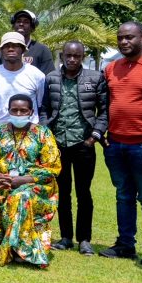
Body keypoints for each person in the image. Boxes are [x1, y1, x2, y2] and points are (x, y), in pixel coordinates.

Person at [99, 22, 142, 265]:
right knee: (123, 196)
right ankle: (125, 244)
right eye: (120, 38)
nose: (124, 42)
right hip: (115, 144)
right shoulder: (111, 68)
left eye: (130, 37)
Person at [0, 94, 60, 267]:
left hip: (34, 185)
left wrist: (21, 180)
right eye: (15, 110)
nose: (18, 114)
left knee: (20, 196)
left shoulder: (43, 133)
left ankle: (22, 250)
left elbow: (52, 168)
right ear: (8, 111)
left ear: (31, 111)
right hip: (2, 182)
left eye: (23, 110)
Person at [42, 41, 109, 255]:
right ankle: (65, 237)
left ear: (83, 56)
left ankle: (84, 239)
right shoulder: (51, 78)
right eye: (68, 56)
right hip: (58, 144)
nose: (72, 59)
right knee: (63, 192)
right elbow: (44, 108)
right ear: (62, 56)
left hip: (83, 144)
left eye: (76, 56)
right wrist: (47, 132)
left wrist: (94, 136)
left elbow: (105, 111)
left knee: (83, 193)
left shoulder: (95, 78)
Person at [0, 31, 46, 139]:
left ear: (23, 50)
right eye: (6, 46)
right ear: (1, 50)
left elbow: (41, 107)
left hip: (30, 137)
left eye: (15, 46)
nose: (10, 49)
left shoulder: (37, 75)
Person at [0, 9, 56, 74]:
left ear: (32, 28)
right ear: (13, 26)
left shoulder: (42, 50)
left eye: (26, 22)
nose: (21, 24)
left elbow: (47, 78)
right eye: (18, 21)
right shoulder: (2, 51)